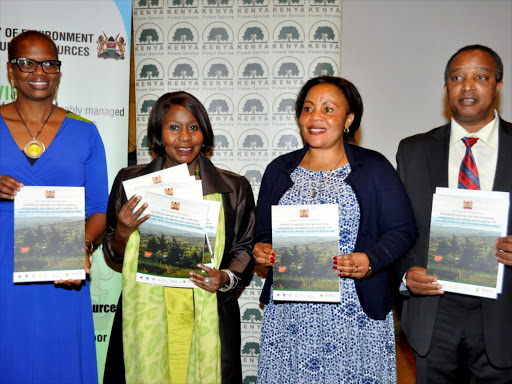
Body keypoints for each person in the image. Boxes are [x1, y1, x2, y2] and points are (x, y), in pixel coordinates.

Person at [253, 76, 418, 383]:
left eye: (328, 109)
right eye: (308, 108)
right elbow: (263, 232)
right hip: (291, 316)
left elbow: (403, 229)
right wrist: (262, 249)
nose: (316, 117)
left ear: (349, 119)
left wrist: (372, 259)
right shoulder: (278, 169)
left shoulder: (375, 168)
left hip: (355, 312)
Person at [102, 91, 255, 383]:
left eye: (193, 127)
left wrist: (224, 278)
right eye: (174, 127)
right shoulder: (129, 182)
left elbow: (243, 249)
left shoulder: (233, 187)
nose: (184, 137)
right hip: (147, 311)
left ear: (204, 133)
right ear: (159, 132)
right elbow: (114, 254)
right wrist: (122, 231)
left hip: (208, 311)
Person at [396, 45, 512, 383]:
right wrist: (405, 275)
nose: (467, 86)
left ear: (498, 85)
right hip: (434, 315)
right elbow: (399, 229)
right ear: (446, 87)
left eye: (480, 77)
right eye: (456, 78)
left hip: (504, 316)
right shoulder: (413, 150)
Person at [0, 31, 108, 383]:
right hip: (3, 269)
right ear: (10, 70)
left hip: (61, 269)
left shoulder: (85, 131)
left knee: (60, 362)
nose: (39, 71)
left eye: (49, 63)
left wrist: (82, 246)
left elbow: (99, 209)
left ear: (59, 71)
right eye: (27, 63)